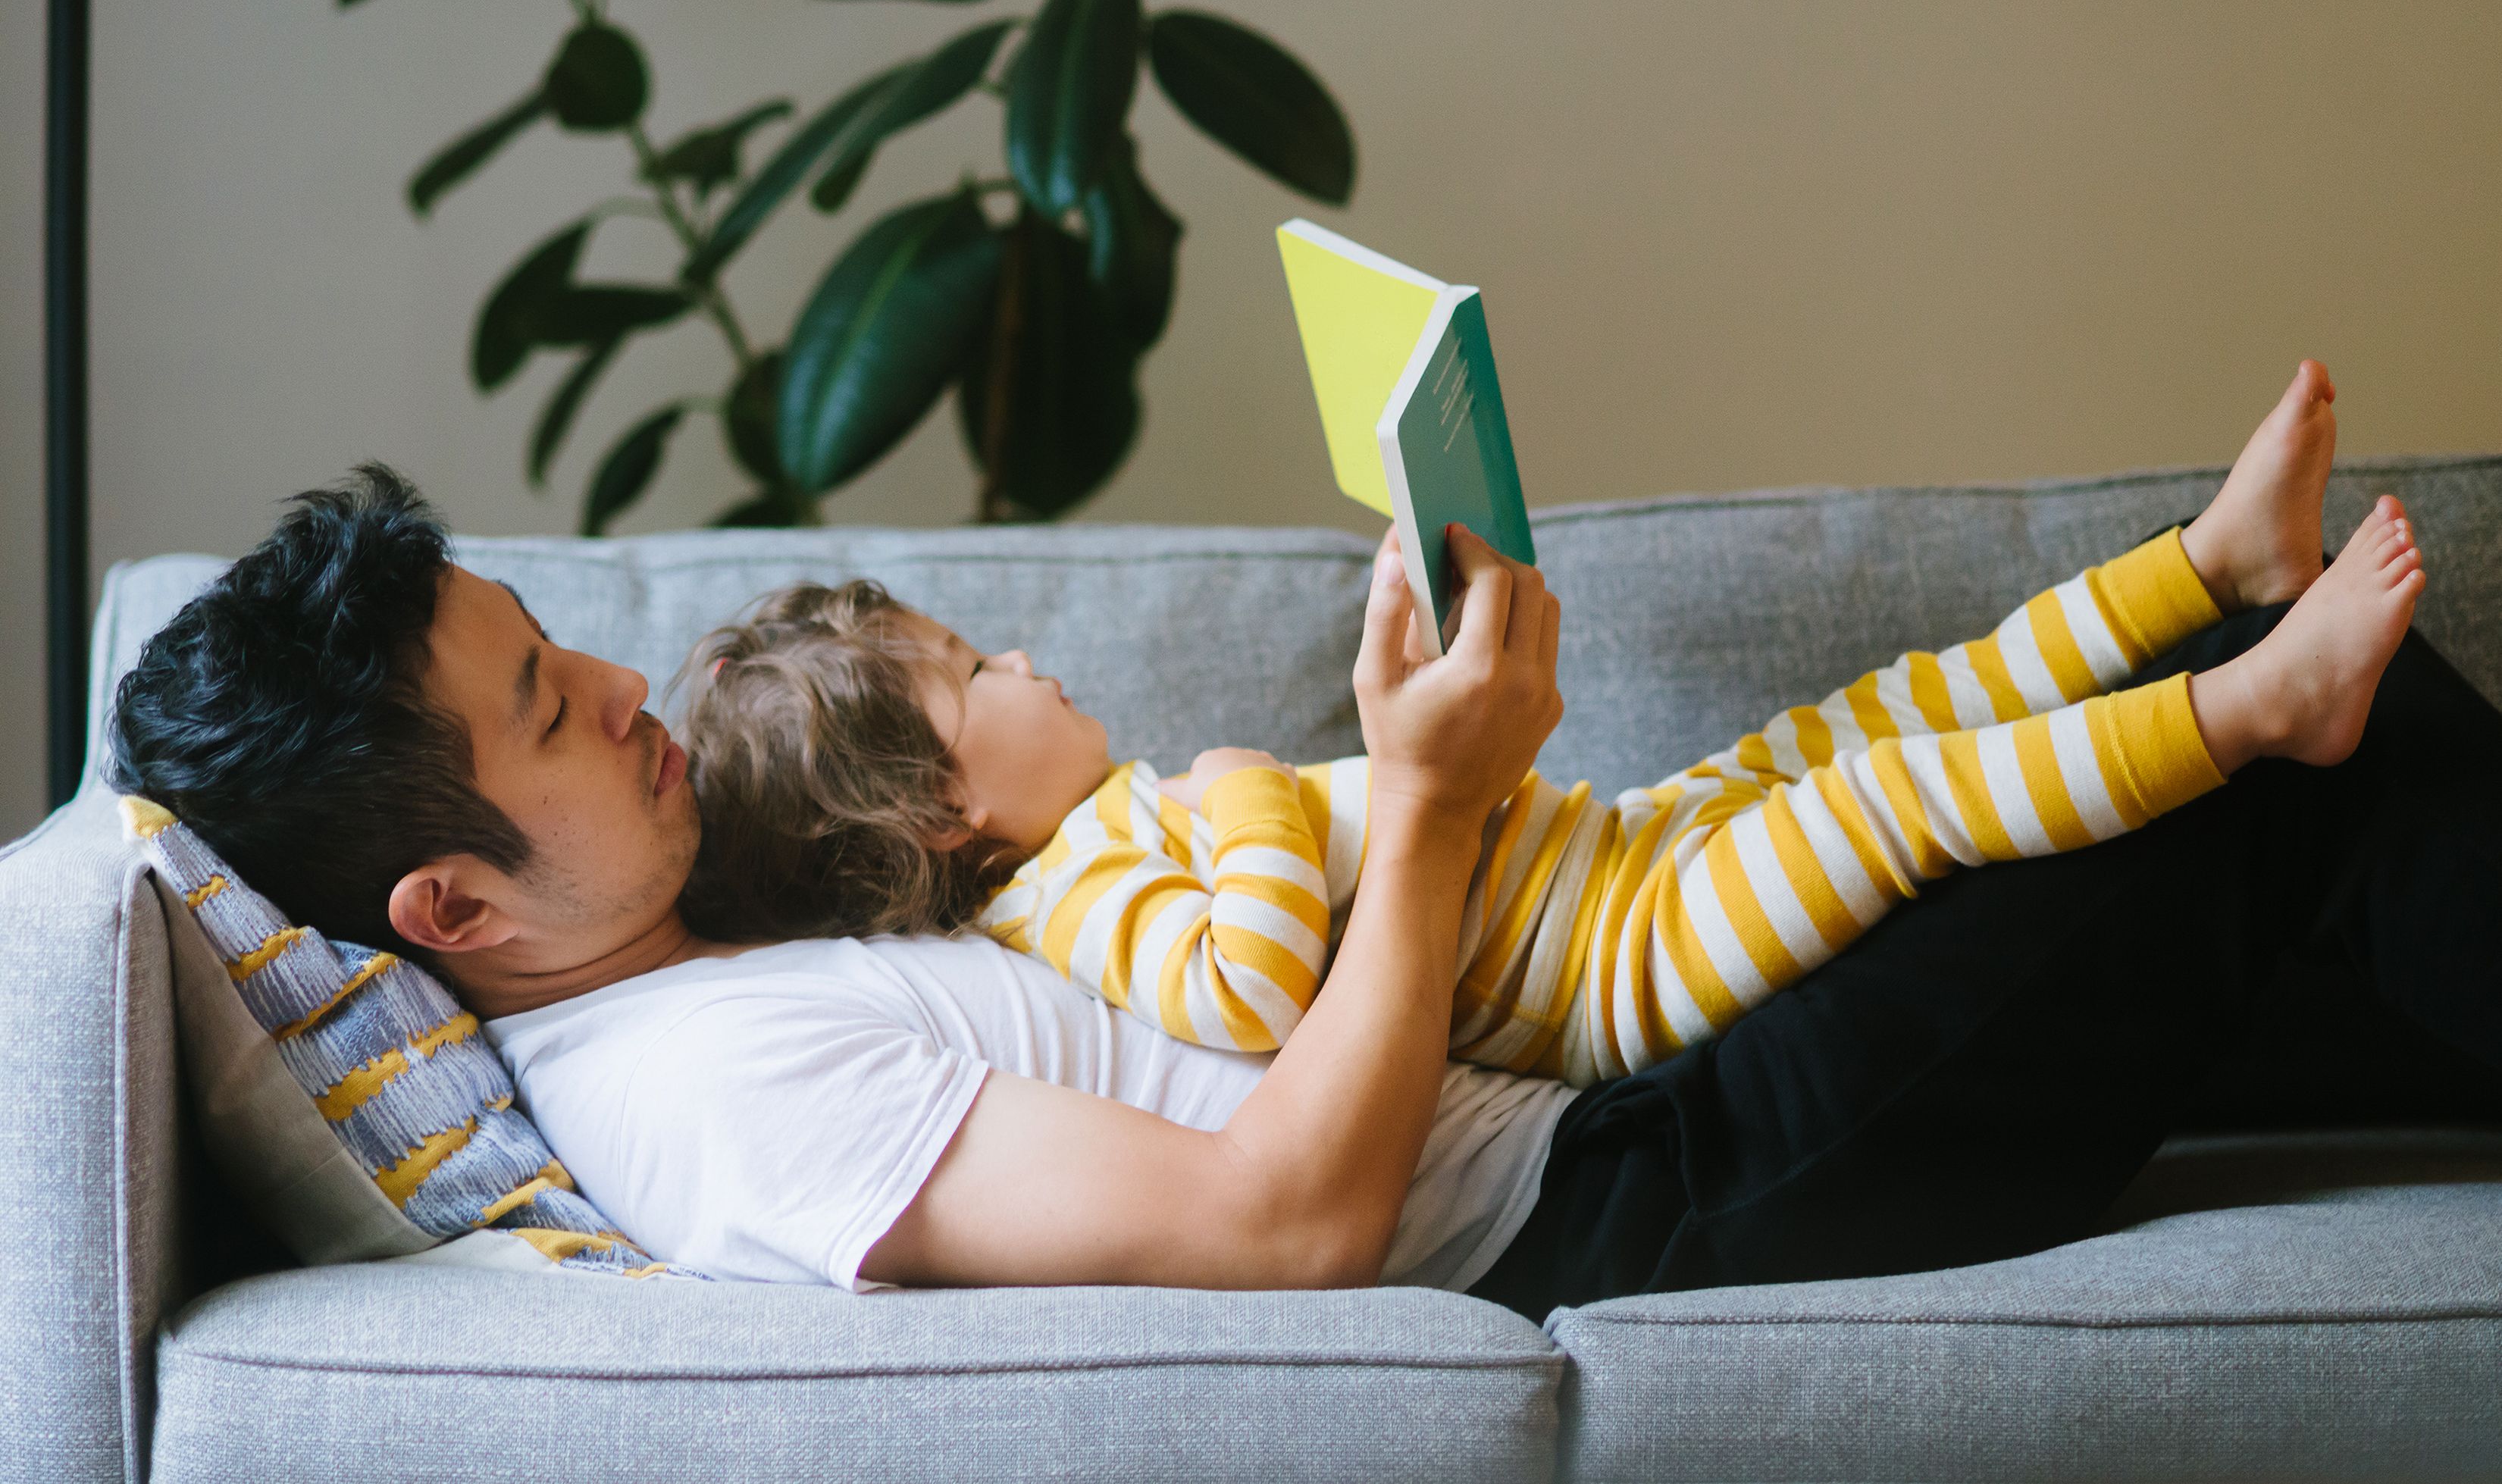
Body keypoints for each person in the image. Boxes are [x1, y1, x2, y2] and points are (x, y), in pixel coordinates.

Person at [103, 363, 2502, 1310]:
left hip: (1611, 1100)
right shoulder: (704, 1095)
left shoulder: (706, 958)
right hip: (1641, 1203)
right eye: (548, 707)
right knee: (2308, 751)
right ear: (450, 908)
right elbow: (1287, 1215)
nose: (628, 692)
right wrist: (1432, 801)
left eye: (567, 649)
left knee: (2222, 754)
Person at [672, 363, 2421, 1088]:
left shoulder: (1108, 822)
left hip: (1629, 856)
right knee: (1901, 793)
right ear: (943, 826)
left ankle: (2209, 562)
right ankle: (2261, 707)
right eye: (979, 681)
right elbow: (1258, 991)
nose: (1028, 667)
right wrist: (1246, 794)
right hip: (1618, 975)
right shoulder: (1075, 905)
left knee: (1870, 714)